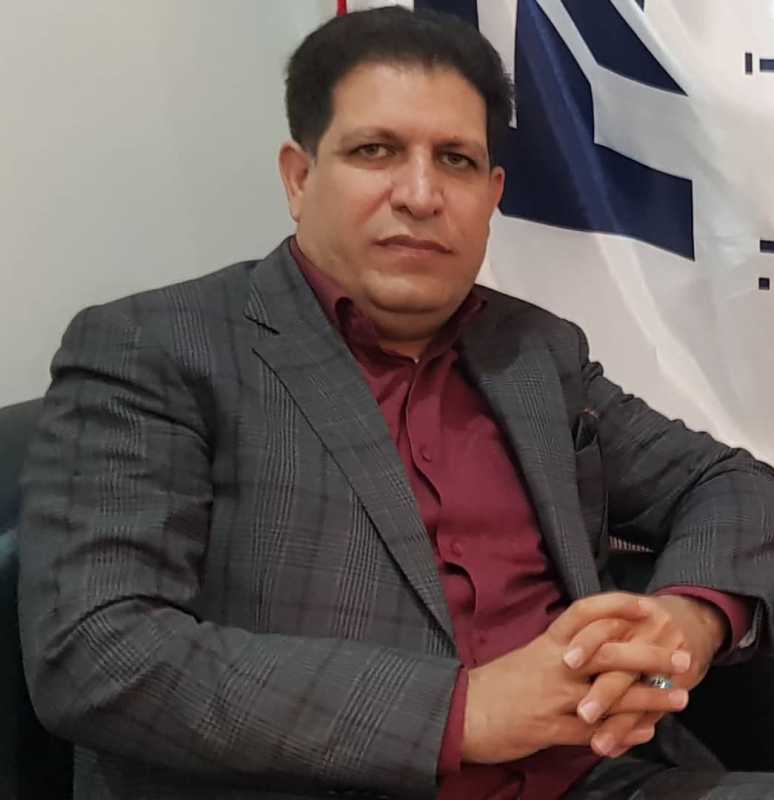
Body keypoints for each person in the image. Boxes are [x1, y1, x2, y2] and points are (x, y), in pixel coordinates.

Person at [17, 6, 774, 800]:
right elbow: (96, 650)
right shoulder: (157, 348)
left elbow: (732, 482)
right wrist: (463, 713)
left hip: (594, 775)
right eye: (375, 150)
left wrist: (689, 621)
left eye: (456, 160)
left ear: (492, 194)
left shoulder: (535, 353)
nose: (420, 194)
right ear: (299, 177)